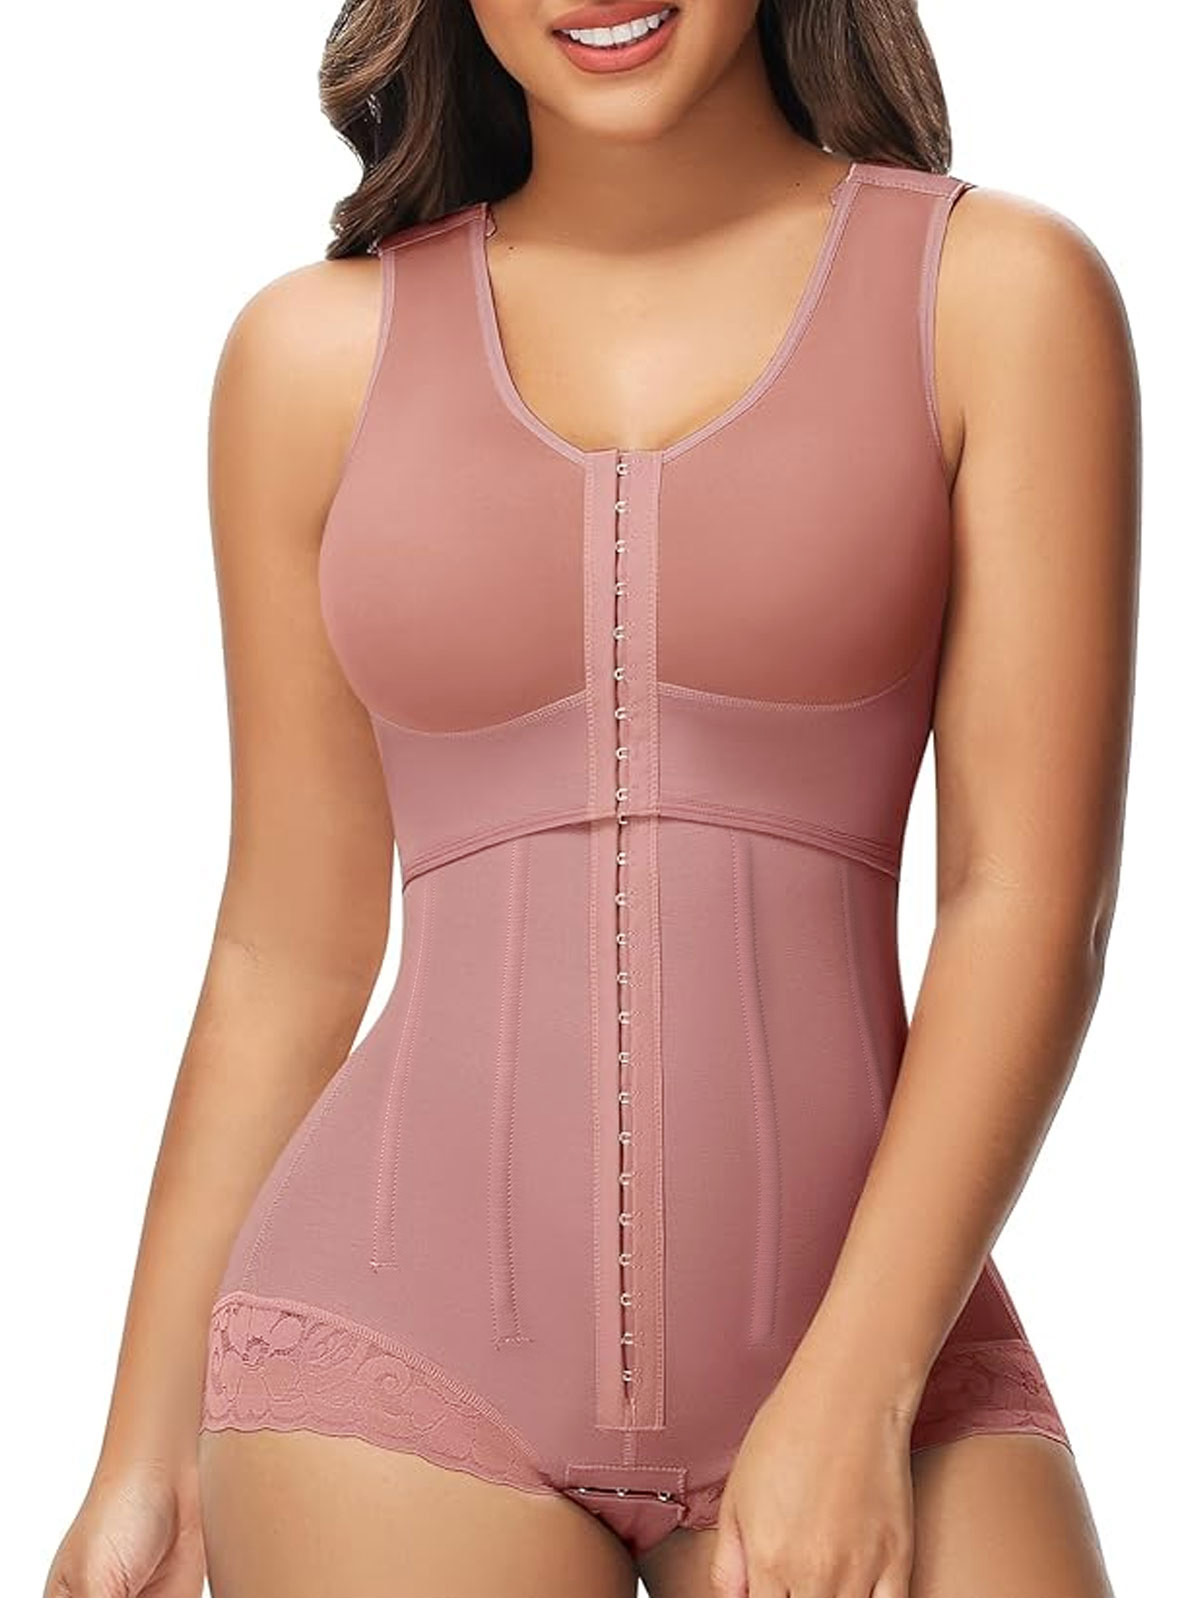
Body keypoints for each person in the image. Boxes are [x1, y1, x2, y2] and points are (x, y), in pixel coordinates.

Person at [45, 2, 1138, 1596]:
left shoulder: (997, 295)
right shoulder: (309, 359)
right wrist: (142, 1453)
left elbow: (1028, 903)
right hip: (387, 1373)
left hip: (881, 1347)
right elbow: (287, 952)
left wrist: (856, 1390)